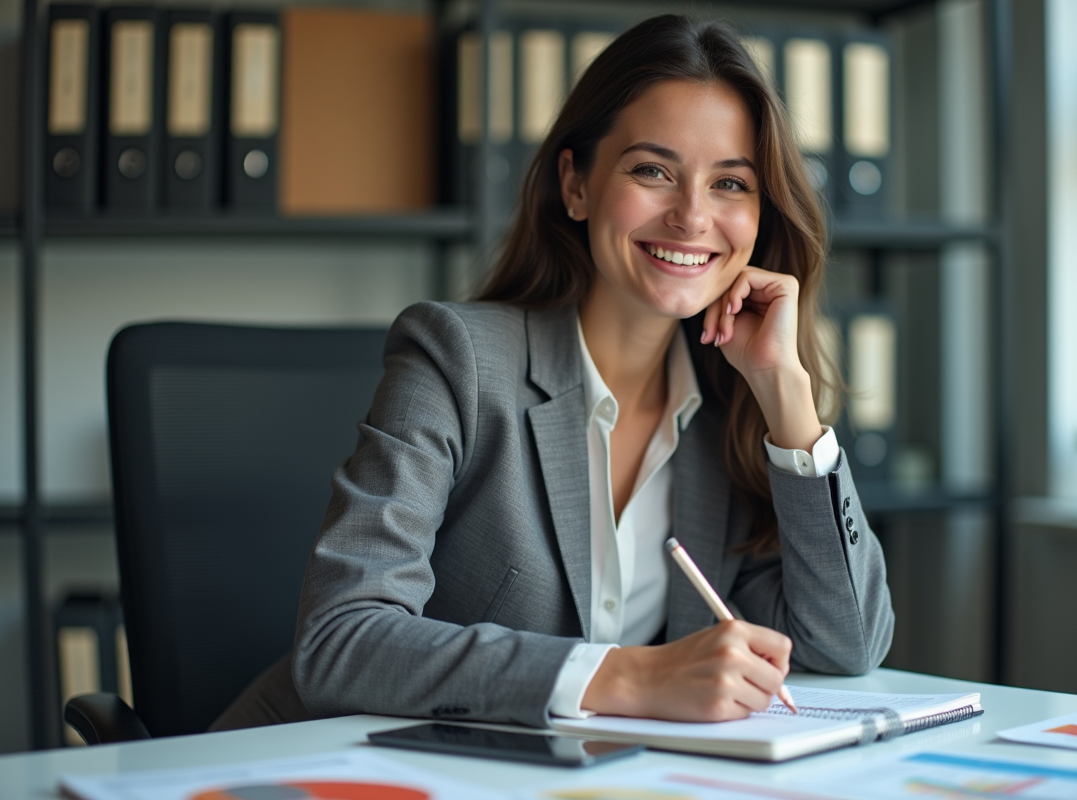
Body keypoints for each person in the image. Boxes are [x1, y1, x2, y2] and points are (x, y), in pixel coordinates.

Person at [213, 13, 893, 732]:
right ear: (576, 185)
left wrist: (788, 399)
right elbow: (339, 641)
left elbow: (846, 645)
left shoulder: (729, 409)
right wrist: (628, 674)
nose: (693, 216)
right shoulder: (458, 359)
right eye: (653, 171)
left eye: (730, 183)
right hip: (319, 763)